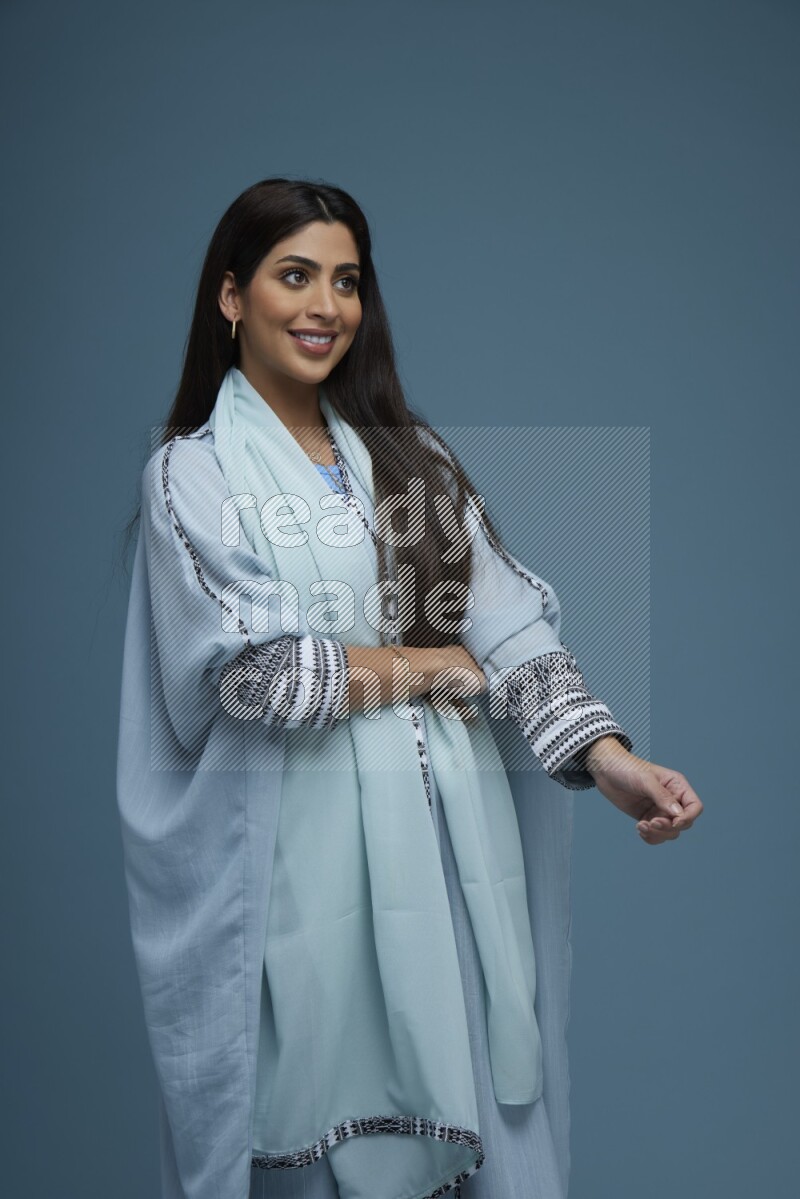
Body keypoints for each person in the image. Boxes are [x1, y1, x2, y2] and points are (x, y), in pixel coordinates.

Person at [116, 177, 703, 1199]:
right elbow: (260, 675)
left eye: (345, 281)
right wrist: (423, 667)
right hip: (295, 879)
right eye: (293, 275)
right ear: (229, 296)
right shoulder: (193, 476)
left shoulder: (409, 459)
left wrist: (610, 762)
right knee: (316, 1146)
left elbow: (508, 624)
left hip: (440, 866)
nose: (324, 306)